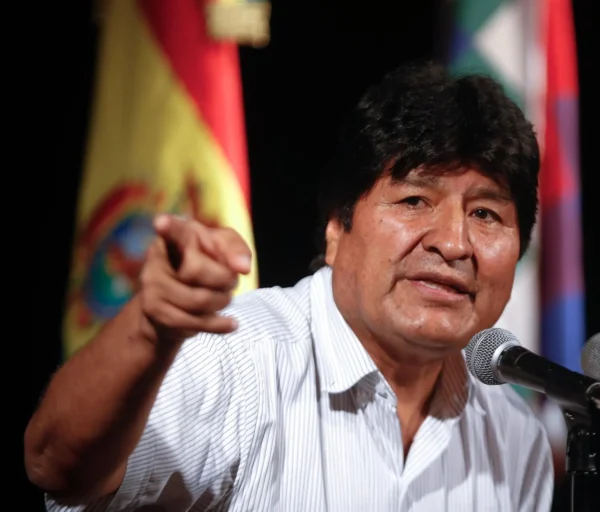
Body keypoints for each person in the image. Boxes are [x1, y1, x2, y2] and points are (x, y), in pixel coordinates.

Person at [25, 61, 553, 511]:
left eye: (485, 214)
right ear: (336, 229)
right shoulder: (236, 357)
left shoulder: (516, 440)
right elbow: (55, 465)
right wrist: (149, 329)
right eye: (414, 201)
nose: (454, 243)